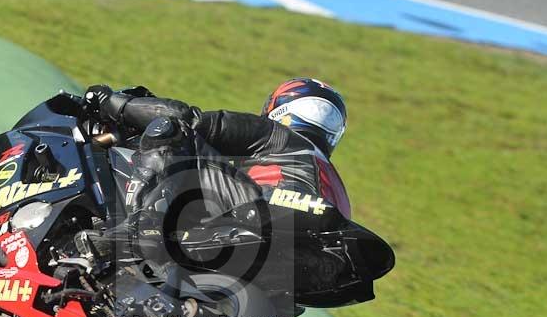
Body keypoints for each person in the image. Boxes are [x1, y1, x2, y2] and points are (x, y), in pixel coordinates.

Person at [83, 77, 351, 238]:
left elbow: (187, 119)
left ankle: (140, 222)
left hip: (256, 210)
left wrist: (113, 103)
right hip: (284, 263)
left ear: (280, 108)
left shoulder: (277, 135)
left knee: (172, 129)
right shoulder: (338, 189)